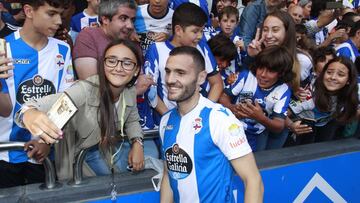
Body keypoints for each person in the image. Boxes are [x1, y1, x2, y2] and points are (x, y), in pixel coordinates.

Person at [15, 39, 157, 180]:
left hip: (106, 151)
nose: (118, 68)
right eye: (112, 61)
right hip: (79, 158)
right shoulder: (84, 90)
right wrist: (29, 114)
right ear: (103, 64)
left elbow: (132, 120)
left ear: (136, 70)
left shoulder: (129, 90)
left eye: (127, 63)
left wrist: (137, 143)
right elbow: (35, 106)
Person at [159, 46, 263, 203]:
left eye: (180, 73)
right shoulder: (165, 121)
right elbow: (169, 174)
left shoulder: (219, 118)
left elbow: (253, 180)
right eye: (168, 71)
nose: (170, 79)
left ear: (201, 78)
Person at [0, 0, 74, 188]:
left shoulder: (62, 49)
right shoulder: (3, 48)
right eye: (51, 13)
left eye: (61, 13)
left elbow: (65, 100)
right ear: (29, 11)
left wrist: (46, 141)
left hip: (43, 153)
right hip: (5, 153)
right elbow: (5, 110)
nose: (59, 20)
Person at [144, 3, 223, 119]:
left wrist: (204, 113)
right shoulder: (156, 49)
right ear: (178, 30)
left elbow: (217, 83)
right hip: (166, 121)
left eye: (202, 31)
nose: (200, 36)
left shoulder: (202, 46)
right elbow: (150, 90)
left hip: (198, 122)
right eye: (195, 31)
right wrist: (169, 118)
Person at [220, 46, 293, 151]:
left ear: (281, 73)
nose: (263, 75)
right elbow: (223, 96)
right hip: (232, 127)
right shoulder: (246, 76)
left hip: (256, 135)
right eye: (260, 68)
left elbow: (279, 125)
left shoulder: (283, 90)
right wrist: (232, 108)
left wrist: (260, 117)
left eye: (270, 71)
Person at [287, 56, 359, 143]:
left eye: (340, 74)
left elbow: (352, 112)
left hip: (324, 126)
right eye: (329, 72)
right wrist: (291, 125)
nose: (333, 77)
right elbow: (282, 114)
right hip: (299, 130)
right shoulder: (309, 95)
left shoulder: (351, 93)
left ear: (349, 80)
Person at [73, 0, 137, 80]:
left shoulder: (131, 40)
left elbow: (140, 77)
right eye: (123, 18)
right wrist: (132, 91)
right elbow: (91, 85)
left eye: (132, 20)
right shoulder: (88, 36)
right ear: (105, 19)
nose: (130, 26)